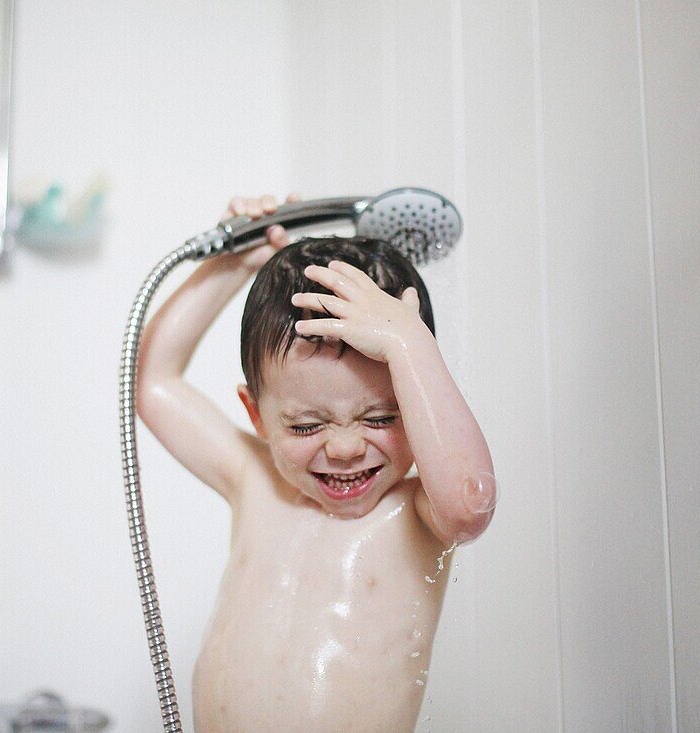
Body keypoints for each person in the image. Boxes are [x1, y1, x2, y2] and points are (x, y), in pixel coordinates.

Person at [137, 194, 496, 732]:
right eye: (307, 426)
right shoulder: (253, 478)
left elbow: (470, 503)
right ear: (256, 414)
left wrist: (407, 343)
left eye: (381, 418)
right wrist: (232, 260)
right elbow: (149, 381)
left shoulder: (420, 514)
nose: (346, 448)